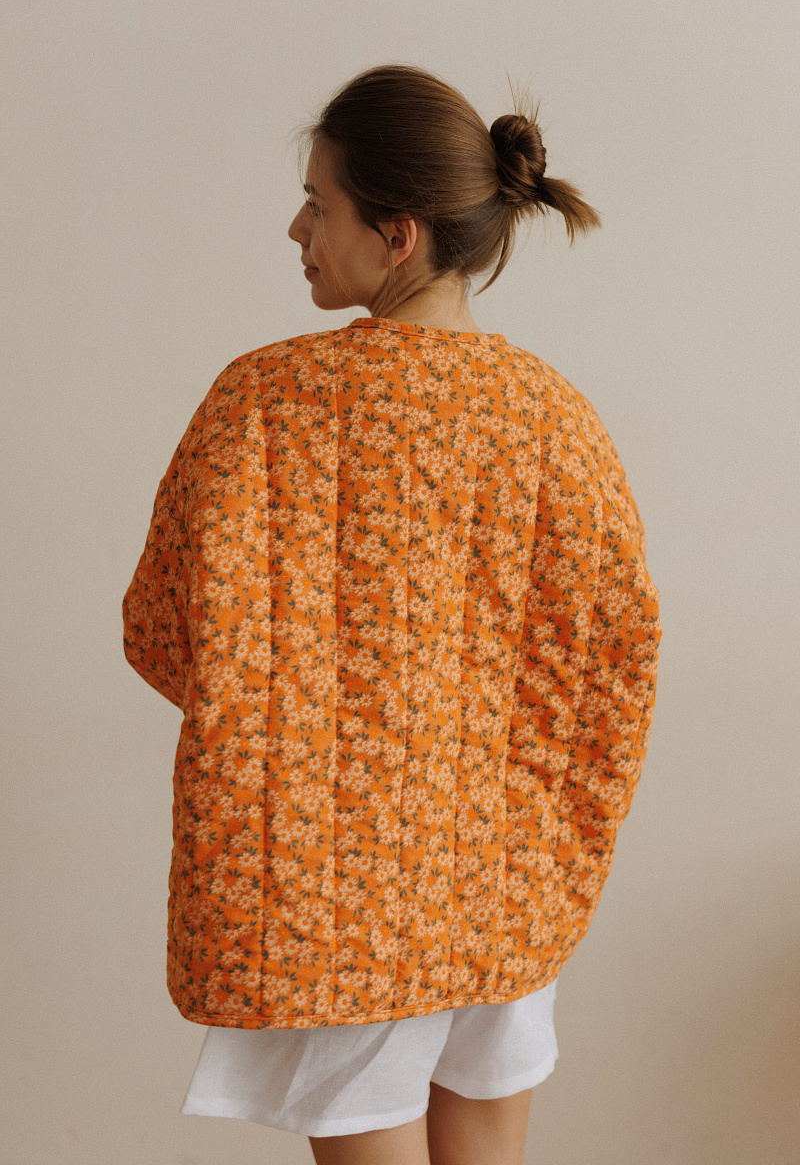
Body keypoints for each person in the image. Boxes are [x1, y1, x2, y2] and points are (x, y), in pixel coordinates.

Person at [122, 64, 662, 1165]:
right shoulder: (556, 420)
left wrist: (300, 724)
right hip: (506, 883)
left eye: (316, 204)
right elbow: (615, 661)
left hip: (331, 898)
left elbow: (165, 633)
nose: (296, 228)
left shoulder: (262, 404)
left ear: (398, 233)